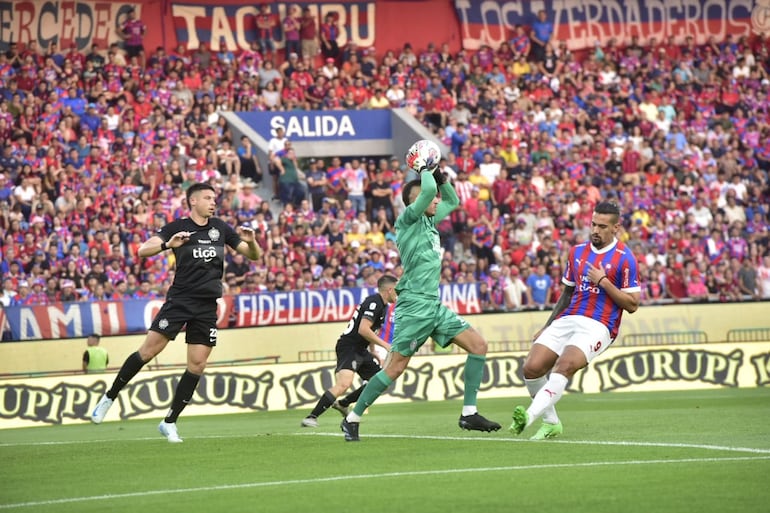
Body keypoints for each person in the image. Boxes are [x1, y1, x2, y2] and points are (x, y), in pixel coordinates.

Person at [90, 183, 262, 442]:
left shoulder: (221, 229)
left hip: (207, 306)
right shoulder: (176, 227)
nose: (213, 202)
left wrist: (253, 242)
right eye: (207, 198)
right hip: (180, 301)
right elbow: (142, 250)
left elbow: (254, 256)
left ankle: (169, 422)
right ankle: (109, 397)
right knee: (147, 352)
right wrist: (167, 245)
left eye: (214, 198)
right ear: (193, 201)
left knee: (197, 364)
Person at [341, 165, 501, 441]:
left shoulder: (428, 220)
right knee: (395, 368)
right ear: (416, 201)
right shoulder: (407, 221)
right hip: (413, 307)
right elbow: (428, 191)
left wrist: (441, 177)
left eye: (436, 196)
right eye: (431, 197)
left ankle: (469, 413)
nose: (437, 200)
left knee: (479, 345)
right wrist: (425, 168)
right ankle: (353, 417)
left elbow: (453, 200)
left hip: (433, 305)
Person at [509, 201, 641, 439]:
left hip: (600, 325)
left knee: (564, 366)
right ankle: (551, 422)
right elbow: (567, 293)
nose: (595, 230)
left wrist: (603, 281)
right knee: (531, 368)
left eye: (602, 226)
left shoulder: (625, 258)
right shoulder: (577, 252)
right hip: (569, 317)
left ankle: (529, 416)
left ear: (615, 228)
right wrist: (547, 326)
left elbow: (632, 304)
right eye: (593, 224)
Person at [301, 275, 398, 428]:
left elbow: (371, 330)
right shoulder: (374, 302)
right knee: (344, 384)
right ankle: (311, 417)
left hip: (361, 349)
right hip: (349, 346)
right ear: (390, 290)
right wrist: (385, 345)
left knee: (379, 381)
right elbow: (363, 329)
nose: (399, 293)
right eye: (397, 290)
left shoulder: (383, 306)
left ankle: (343, 404)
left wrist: (372, 351)